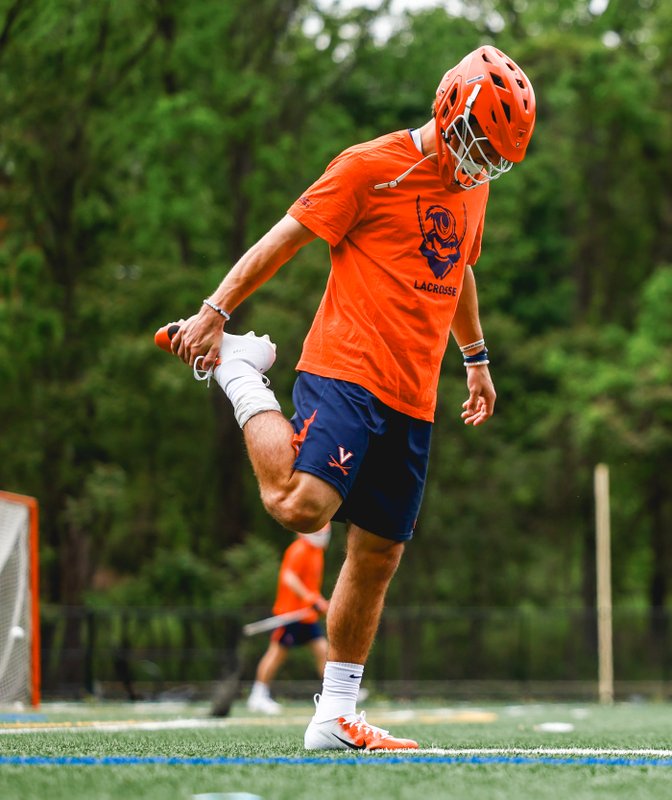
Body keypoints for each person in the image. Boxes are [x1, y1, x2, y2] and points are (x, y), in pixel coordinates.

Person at [156, 45, 536, 750]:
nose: (481, 166)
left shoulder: (473, 186)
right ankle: (243, 372)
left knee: (379, 554)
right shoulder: (370, 165)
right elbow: (286, 237)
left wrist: (476, 358)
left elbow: (460, 266)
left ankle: (334, 715)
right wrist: (216, 312)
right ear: (447, 110)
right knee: (303, 508)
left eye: (496, 159)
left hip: (414, 396)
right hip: (347, 370)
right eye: (477, 146)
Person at [248, 525, 332, 715]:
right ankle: (258, 696)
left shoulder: (317, 552)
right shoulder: (299, 549)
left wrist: (317, 602)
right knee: (277, 654)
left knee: (323, 651)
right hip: (290, 614)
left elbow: (310, 586)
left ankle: (332, 695)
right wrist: (311, 599)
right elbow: (289, 577)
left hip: (307, 616)